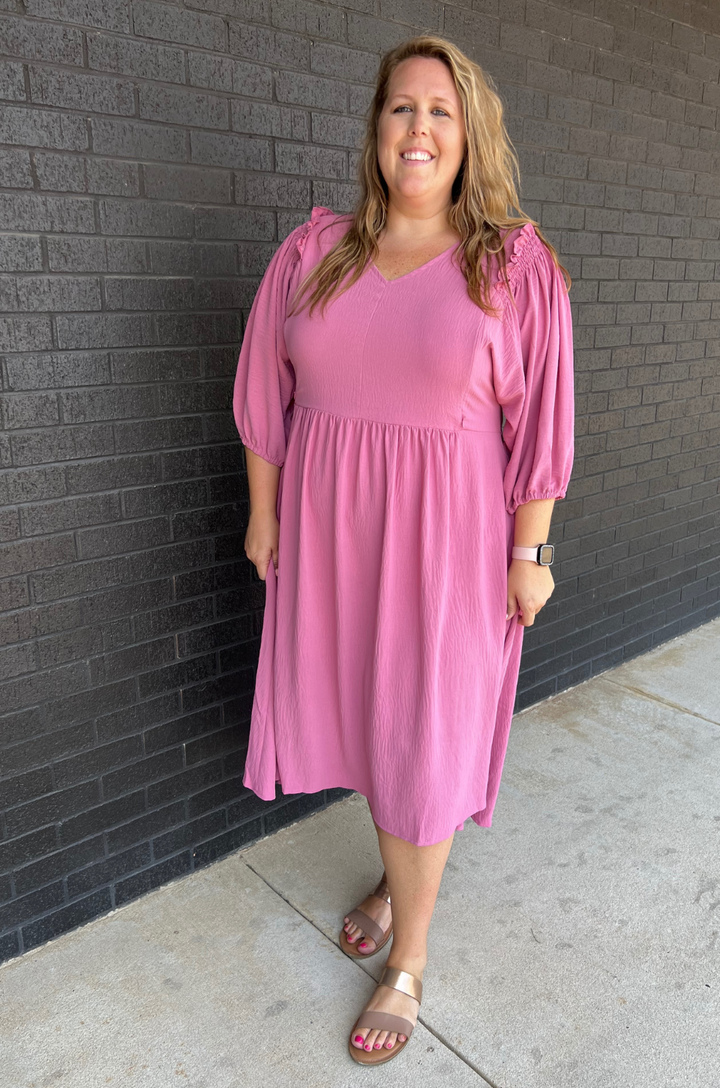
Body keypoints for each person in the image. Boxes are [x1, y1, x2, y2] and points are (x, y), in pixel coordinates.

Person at [233, 34, 575, 1067]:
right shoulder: (314, 254)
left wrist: (531, 552)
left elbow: (542, 424)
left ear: (470, 135)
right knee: (373, 726)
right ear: (376, 129)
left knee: (424, 740)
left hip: (448, 552)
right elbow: (264, 395)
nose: (417, 128)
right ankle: (397, 876)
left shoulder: (511, 265)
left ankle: (411, 956)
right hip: (332, 542)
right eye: (400, 108)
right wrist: (264, 515)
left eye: (439, 110)